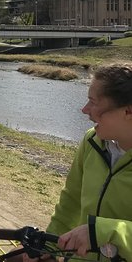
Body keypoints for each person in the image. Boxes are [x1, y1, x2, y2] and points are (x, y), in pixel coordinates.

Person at [24, 62, 132, 262]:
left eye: (93, 102)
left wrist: (103, 232)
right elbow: (71, 201)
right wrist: (46, 247)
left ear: (128, 111)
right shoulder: (92, 141)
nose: (84, 109)